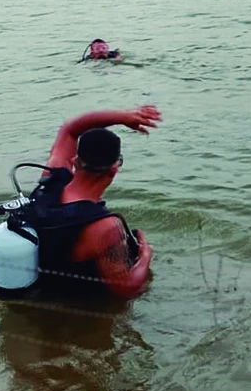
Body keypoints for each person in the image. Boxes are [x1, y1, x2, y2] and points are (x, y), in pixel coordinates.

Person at [33, 105, 161, 300]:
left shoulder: (50, 179)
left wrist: (124, 117)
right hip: (73, 314)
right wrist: (145, 256)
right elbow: (125, 288)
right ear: (114, 169)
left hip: (35, 294)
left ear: (75, 161)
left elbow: (70, 128)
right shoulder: (104, 227)